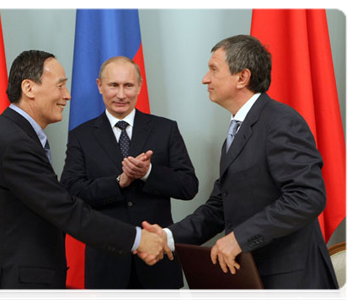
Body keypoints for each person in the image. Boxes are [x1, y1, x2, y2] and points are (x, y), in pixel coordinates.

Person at [144, 35, 342, 300]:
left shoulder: (281, 121)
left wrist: (239, 238)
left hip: (292, 282)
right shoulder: (236, 131)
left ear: (242, 77)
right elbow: (219, 208)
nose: (206, 79)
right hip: (253, 278)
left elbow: (308, 196)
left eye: (214, 69)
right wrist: (168, 236)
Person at [0, 50, 171, 300]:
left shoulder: (14, 134)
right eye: (60, 86)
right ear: (29, 88)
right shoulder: (14, 143)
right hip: (15, 289)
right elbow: (65, 209)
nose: (68, 95)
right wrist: (137, 239)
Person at [60, 56, 198, 300]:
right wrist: (118, 182)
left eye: (128, 86)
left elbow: (188, 186)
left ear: (140, 86)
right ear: (99, 86)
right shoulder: (81, 136)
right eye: (113, 85)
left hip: (158, 266)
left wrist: (148, 174)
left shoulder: (165, 129)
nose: (121, 94)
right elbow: (70, 192)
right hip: (108, 266)